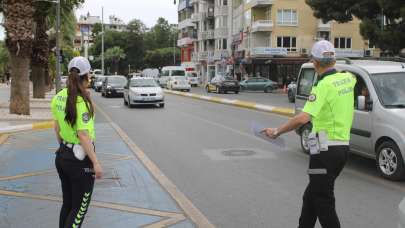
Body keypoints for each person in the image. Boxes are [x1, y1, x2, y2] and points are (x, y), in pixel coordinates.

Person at [263, 40, 356, 228]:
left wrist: (277, 131)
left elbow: (303, 118)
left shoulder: (323, 86)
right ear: (333, 59)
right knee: (311, 195)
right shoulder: (347, 79)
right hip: (341, 150)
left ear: (315, 62)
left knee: (323, 200)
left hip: (324, 153)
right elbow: (353, 75)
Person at [51, 56, 103, 228]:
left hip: (63, 156)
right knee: (79, 209)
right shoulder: (82, 102)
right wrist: (95, 162)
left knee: (68, 204)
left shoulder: (59, 96)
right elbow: (83, 135)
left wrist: (64, 148)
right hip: (80, 161)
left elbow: (56, 128)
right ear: (87, 76)